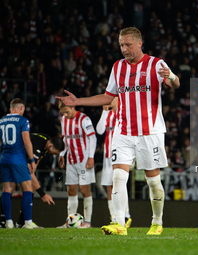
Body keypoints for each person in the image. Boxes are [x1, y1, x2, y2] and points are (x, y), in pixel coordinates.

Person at [57, 27, 180, 235]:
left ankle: (157, 221)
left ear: (140, 43)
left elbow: (174, 84)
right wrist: (78, 101)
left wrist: (172, 76)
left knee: (153, 181)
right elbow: (108, 96)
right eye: (121, 45)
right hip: (123, 131)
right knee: (118, 178)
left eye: (128, 45)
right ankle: (120, 224)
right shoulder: (118, 67)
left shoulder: (156, 64)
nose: (124, 49)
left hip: (150, 132)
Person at [57, 101, 97, 228]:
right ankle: (70, 222)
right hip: (71, 159)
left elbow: (93, 138)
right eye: (63, 112)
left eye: (67, 111)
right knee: (71, 190)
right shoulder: (63, 119)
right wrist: (62, 154)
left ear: (73, 107)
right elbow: (65, 138)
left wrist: (91, 157)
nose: (65, 114)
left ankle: (88, 222)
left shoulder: (84, 119)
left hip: (84, 160)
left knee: (85, 190)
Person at [0, 98, 37, 229]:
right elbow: (27, 141)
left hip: (4, 158)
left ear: (11, 108)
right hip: (18, 158)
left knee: (7, 190)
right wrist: (32, 159)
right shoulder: (23, 121)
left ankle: (8, 222)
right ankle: (27, 222)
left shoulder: (1, 120)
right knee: (27, 188)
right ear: (20, 108)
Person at [14, 133, 65, 228]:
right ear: (50, 146)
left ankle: (21, 223)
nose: (54, 155)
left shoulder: (47, 143)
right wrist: (42, 194)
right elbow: (30, 172)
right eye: (55, 153)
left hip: (20, 158)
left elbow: (34, 167)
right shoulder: (37, 145)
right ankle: (4, 221)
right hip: (12, 156)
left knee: (31, 187)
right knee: (10, 187)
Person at [96, 98, 132, 227]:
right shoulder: (109, 114)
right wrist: (104, 112)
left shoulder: (124, 112)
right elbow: (100, 130)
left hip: (121, 153)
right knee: (109, 187)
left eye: (112, 98)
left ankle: (126, 215)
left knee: (120, 183)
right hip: (108, 155)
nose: (109, 101)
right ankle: (114, 218)